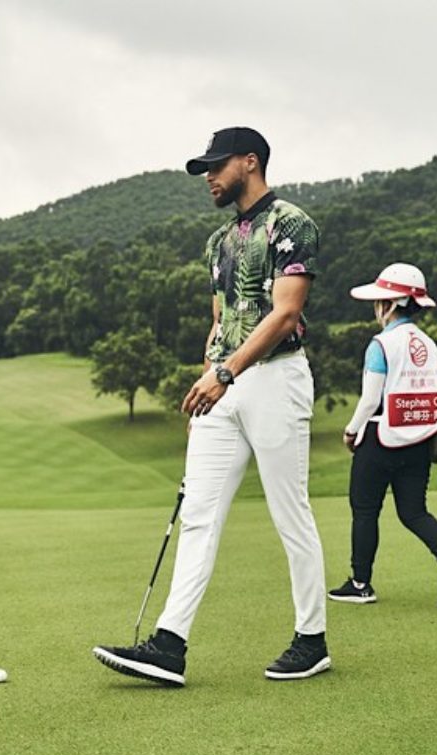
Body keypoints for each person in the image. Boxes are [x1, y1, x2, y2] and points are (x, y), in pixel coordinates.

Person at [93, 126, 330, 686]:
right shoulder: (218, 243)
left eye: (216, 167)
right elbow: (221, 319)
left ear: (250, 162)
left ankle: (312, 639)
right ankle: (169, 646)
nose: (209, 179)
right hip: (224, 387)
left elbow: (286, 314)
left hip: (275, 379)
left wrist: (225, 372)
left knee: (288, 511)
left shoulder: (291, 224)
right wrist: (210, 378)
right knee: (198, 511)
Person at [329, 263, 437, 610]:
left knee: (365, 510)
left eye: (380, 302)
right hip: (420, 440)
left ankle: (361, 583)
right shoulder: (426, 341)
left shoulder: (381, 344)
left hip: (379, 438)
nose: (376, 308)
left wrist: (351, 431)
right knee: (413, 512)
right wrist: (426, 413)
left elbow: (369, 400)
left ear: (392, 304)